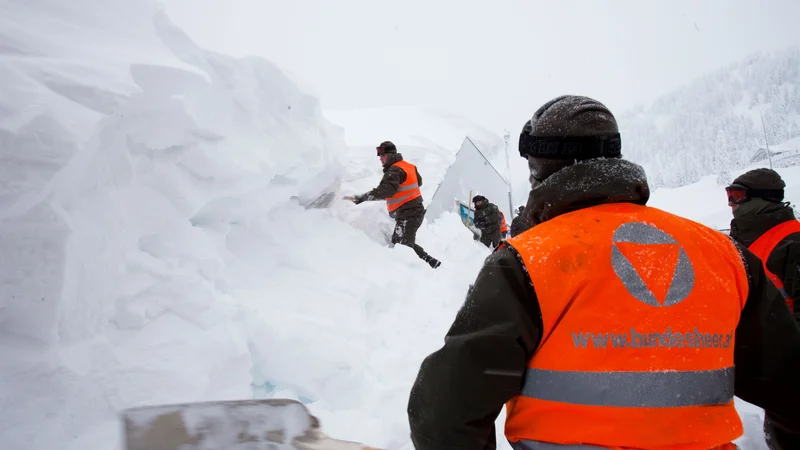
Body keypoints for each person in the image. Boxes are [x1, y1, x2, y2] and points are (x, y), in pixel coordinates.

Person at [407, 95, 800, 450]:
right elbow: (790, 385)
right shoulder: (726, 255)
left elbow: (445, 410)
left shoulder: (527, 261)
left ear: (539, 169)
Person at [348, 141, 441, 269]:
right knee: (399, 243)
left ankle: (424, 268)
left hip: (410, 214)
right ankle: (431, 262)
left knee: (403, 247)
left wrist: (362, 197)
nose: (380, 158)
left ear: (391, 154)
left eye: (382, 155)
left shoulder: (394, 170)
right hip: (411, 213)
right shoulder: (409, 166)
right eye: (380, 156)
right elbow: (418, 182)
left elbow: (386, 191)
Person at [726, 168, 799, 319]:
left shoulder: (792, 242)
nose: (731, 203)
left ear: (764, 198)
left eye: (737, 195)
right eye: (729, 196)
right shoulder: (737, 240)